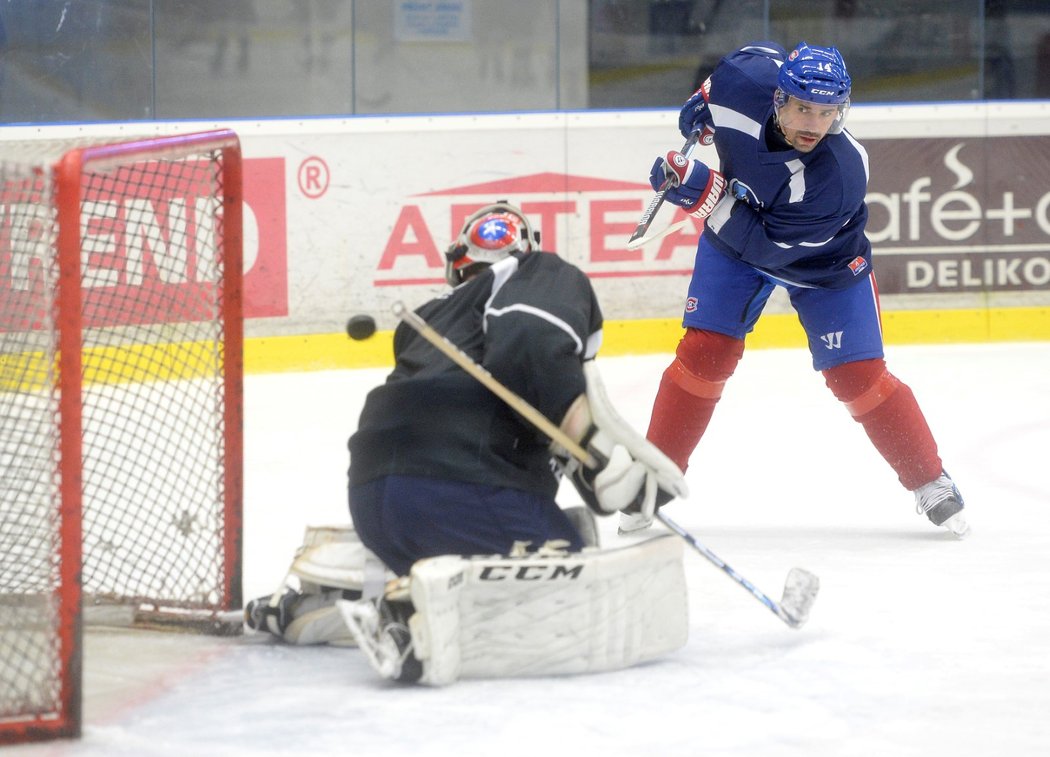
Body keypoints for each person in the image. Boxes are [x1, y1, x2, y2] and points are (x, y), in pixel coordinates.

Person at [246, 202, 688, 684]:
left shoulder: (429, 318)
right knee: (569, 562)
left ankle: (334, 598)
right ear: (528, 251)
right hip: (462, 488)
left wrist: (600, 470)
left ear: (457, 264)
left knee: (565, 523)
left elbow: (525, 398)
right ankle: (412, 615)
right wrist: (602, 457)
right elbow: (530, 343)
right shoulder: (542, 271)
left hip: (374, 501)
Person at [624, 41, 968, 538]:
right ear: (778, 97)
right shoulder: (742, 82)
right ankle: (653, 481)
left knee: (858, 378)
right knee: (704, 353)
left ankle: (929, 480)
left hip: (823, 267)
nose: (813, 124)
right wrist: (704, 96)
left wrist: (702, 194)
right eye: (803, 107)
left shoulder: (840, 173)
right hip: (734, 237)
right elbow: (754, 52)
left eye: (828, 112)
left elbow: (766, 248)